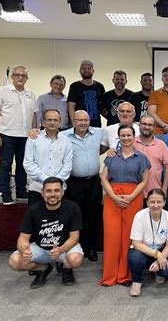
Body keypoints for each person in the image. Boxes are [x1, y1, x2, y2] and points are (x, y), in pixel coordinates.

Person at [8, 177, 84, 289]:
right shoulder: (33, 210)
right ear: (42, 193)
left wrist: (60, 250)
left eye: (57, 190)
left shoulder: (73, 208)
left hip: (63, 248)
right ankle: (43, 268)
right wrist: (23, 251)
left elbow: (74, 238)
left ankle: (66, 268)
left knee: (76, 260)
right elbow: (23, 238)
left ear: (62, 192)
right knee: (14, 262)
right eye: (48, 191)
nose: (53, 194)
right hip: (41, 248)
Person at [99, 125, 150, 286]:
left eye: (129, 135)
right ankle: (109, 276)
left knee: (129, 236)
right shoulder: (111, 155)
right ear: (119, 137)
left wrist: (131, 196)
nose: (126, 138)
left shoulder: (141, 158)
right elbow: (104, 178)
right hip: (112, 197)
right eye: (123, 135)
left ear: (135, 137)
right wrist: (113, 196)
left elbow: (144, 181)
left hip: (133, 197)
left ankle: (125, 275)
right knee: (112, 236)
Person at [62, 110, 108, 262]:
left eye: (85, 120)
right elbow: (47, 135)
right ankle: (78, 247)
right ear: (74, 121)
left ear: (90, 121)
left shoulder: (98, 133)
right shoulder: (64, 136)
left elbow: (113, 137)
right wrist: (34, 131)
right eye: (79, 120)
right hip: (74, 183)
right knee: (76, 216)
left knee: (93, 217)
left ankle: (92, 248)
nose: (83, 123)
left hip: (94, 182)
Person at [0, 65, 38, 205]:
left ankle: (22, 191)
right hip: (6, 135)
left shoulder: (31, 94)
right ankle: (5, 193)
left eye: (23, 75)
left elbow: (34, 114)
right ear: (12, 77)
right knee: (5, 165)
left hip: (26, 136)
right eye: (17, 75)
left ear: (27, 78)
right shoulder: (1, 91)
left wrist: (35, 131)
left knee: (23, 165)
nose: (20, 77)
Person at [127, 189, 168, 296]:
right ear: (147, 202)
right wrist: (157, 255)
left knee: (167, 271)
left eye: (159, 202)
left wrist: (160, 259)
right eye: (152, 202)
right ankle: (137, 281)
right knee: (135, 258)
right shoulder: (140, 216)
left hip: (161, 249)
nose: (155, 205)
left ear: (164, 202)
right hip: (143, 249)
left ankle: (158, 272)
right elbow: (136, 243)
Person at [23, 109, 73, 207]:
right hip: (37, 189)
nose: (52, 122)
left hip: (60, 191)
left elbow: (68, 165)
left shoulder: (67, 141)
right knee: (36, 220)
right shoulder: (33, 139)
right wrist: (46, 180)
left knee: (59, 221)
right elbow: (28, 163)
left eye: (55, 120)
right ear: (43, 122)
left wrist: (56, 183)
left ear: (60, 121)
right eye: (49, 120)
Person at [134, 114, 168, 198]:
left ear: (154, 127)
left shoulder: (161, 144)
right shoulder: (132, 142)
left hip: (154, 192)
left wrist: (164, 188)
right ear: (139, 125)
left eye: (150, 125)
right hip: (134, 193)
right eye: (144, 124)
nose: (147, 127)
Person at [67, 60, 105, 127]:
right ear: (80, 71)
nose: (86, 70)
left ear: (93, 71)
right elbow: (71, 106)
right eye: (84, 68)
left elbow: (103, 106)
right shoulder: (74, 86)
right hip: (80, 124)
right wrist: (74, 123)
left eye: (89, 68)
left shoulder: (99, 86)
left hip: (96, 124)